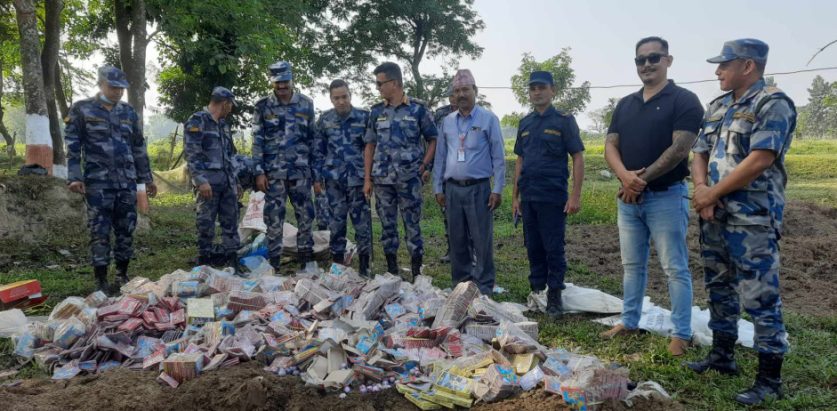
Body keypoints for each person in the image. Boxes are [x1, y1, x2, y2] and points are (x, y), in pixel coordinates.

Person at [686, 39, 796, 406]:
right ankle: (722, 356)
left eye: (724, 65)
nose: (717, 71)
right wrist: (702, 190)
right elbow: (698, 151)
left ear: (748, 66)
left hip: (753, 218)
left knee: (760, 296)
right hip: (714, 213)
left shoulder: (772, 102)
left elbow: (761, 158)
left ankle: (769, 379)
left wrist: (711, 193)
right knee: (719, 286)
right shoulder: (718, 105)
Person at [600, 37, 704, 357]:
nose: (646, 64)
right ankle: (629, 321)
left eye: (653, 58)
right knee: (632, 265)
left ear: (668, 61)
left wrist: (639, 180)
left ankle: (681, 333)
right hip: (628, 198)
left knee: (674, 267)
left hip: (666, 197)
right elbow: (610, 146)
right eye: (640, 60)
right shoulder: (626, 104)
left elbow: (679, 150)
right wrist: (625, 177)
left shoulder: (684, 100)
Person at [65, 65, 157, 293]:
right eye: (113, 87)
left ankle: (122, 275)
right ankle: (101, 280)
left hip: (126, 183)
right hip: (98, 184)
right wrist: (75, 176)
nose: (117, 92)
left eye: (121, 89)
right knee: (100, 231)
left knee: (126, 230)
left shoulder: (128, 112)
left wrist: (146, 178)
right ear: (101, 84)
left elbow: (138, 147)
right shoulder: (82, 110)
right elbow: (73, 146)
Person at [512, 70, 584, 319]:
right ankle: (537, 290)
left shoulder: (564, 120)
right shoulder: (525, 123)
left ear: (553, 90)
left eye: (542, 87)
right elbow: (520, 161)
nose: (537, 92)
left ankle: (554, 295)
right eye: (532, 88)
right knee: (533, 246)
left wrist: (575, 195)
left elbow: (577, 156)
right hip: (529, 196)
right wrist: (515, 197)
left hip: (553, 197)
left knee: (553, 247)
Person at [363, 62, 438, 282]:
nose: (378, 88)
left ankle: (416, 272)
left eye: (380, 83)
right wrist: (367, 179)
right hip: (383, 180)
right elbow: (369, 145)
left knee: (412, 225)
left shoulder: (418, 109)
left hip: (409, 179)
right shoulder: (377, 112)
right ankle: (392, 270)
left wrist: (424, 165)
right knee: (387, 225)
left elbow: (433, 139)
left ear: (394, 83)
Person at [433, 69, 505, 295]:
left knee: (481, 239)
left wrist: (498, 188)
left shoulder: (488, 119)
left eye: (465, 89)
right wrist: (437, 187)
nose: (461, 94)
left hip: (479, 189)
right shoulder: (447, 122)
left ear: (475, 91)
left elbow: (498, 156)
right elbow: (440, 156)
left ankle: (483, 286)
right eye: (456, 91)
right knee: (457, 238)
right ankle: (461, 285)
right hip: (453, 189)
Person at [252, 61, 316, 271]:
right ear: (272, 82)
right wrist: (259, 172)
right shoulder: (262, 106)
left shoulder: (306, 104)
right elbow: (257, 141)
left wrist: (315, 175)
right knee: (274, 218)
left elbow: (313, 140)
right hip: (274, 174)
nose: (281, 87)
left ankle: (306, 260)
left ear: (291, 79)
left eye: (285, 82)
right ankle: (274, 263)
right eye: (277, 83)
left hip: (300, 172)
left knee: (305, 215)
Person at [313, 79, 373, 276]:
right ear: (331, 99)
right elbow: (318, 149)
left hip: (358, 180)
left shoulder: (364, 117)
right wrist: (317, 177)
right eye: (336, 98)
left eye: (344, 97)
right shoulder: (325, 120)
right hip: (334, 182)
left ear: (350, 95)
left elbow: (371, 148)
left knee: (362, 224)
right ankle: (337, 265)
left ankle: (365, 267)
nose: (341, 101)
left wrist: (368, 178)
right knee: (336, 224)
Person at [183, 86, 240, 272]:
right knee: (205, 222)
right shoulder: (197, 120)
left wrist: (235, 181)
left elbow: (230, 155)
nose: (231, 108)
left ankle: (232, 260)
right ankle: (204, 260)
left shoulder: (223, 124)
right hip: (208, 183)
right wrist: (200, 180)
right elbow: (192, 153)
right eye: (230, 105)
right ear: (224, 103)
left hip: (227, 182)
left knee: (230, 221)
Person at [433, 86, 457, 264]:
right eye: (451, 95)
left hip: (467, 170)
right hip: (444, 170)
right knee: (447, 213)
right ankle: (452, 249)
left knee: (469, 216)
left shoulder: (478, 114)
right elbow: (433, 141)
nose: (454, 98)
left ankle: (471, 252)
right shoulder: (440, 114)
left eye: (457, 93)